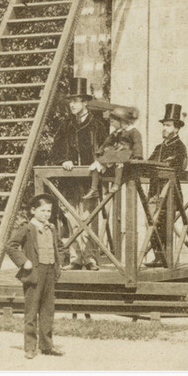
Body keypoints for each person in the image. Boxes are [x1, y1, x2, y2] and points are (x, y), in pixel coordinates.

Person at [49, 78, 108, 270]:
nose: (72, 105)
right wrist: (63, 160)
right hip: (70, 181)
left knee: (88, 217)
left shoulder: (97, 125)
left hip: (90, 182)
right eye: (70, 101)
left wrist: (101, 161)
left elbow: (107, 148)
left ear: (85, 102)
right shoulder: (66, 125)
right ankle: (75, 258)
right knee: (71, 217)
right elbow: (56, 149)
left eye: (76, 101)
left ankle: (90, 258)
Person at [6, 194, 65, 359]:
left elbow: (59, 246)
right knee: (31, 311)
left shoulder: (52, 228)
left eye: (49, 211)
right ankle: (30, 347)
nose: (46, 214)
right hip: (34, 274)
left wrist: (60, 261)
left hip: (50, 272)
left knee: (48, 311)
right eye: (43, 210)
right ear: (33, 210)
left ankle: (47, 346)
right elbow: (11, 246)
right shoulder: (27, 227)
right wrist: (23, 261)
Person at [144, 104, 188, 266]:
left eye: (168, 125)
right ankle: (158, 257)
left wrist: (161, 165)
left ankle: (167, 259)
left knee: (164, 225)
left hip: (169, 194)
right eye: (164, 125)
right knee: (151, 223)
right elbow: (148, 164)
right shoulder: (159, 147)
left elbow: (177, 167)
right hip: (155, 193)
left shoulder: (179, 147)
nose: (164, 128)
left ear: (176, 129)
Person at [83, 106, 144, 200]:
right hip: (116, 152)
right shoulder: (117, 132)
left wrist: (138, 156)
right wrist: (100, 151)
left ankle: (116, 184)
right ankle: (93, 188)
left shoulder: (133, 132)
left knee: (119, 162)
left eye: (113, 122)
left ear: (122, 121)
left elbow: (137, 144)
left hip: (126, 154)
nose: (112, 125)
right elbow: (107, 142)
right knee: (97, 163)